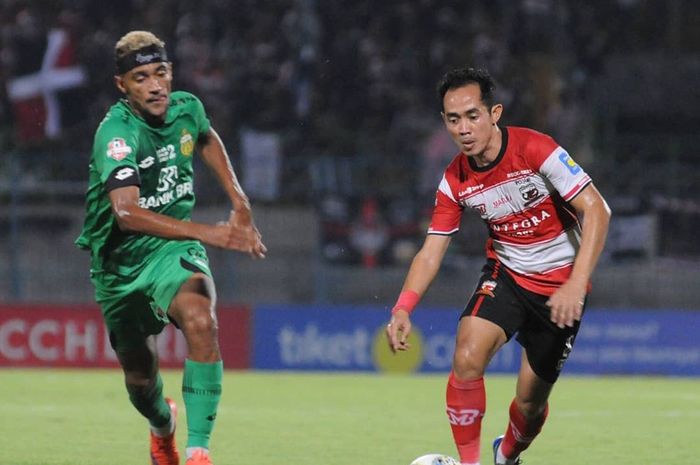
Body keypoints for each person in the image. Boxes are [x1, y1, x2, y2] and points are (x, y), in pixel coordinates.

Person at [385, 67, 610, 465]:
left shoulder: (537, 149)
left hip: (562, 289)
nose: (464, 128)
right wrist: (403, 306)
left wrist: (577, 283)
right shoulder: (454, 179)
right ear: (444, 123)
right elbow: (431, 249)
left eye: (473, 115)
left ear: (495, 113)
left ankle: (506, 456)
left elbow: (597, 209)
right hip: (506, 275)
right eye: (453, 120)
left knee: (529, 405)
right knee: (467, 355)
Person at [75, 30, 267, 465]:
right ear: (122, 85)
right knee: (141, 383)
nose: (156, 85)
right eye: (141, 77)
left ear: (171, 72)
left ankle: (199, 450)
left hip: (169, 251)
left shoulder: (187, 107)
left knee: (201, 319)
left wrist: (240, 203)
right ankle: (164, 429)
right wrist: (210, 232)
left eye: (160, 73)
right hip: (119, 265)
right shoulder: (117, 135)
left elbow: (206, 136)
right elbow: (125, 213)